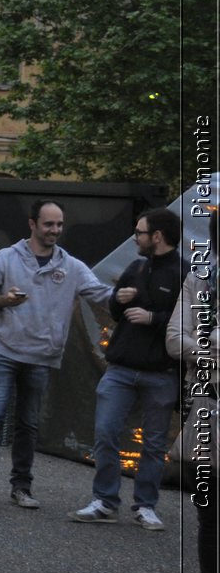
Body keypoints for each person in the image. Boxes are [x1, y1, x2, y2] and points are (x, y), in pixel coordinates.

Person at [0, 200, 113, 508]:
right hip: (2, 350)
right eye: (49, 224)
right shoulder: (5, 258)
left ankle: (21, 487)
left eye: (59, 225)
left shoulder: (70, 265)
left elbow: (101, 295)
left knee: (28, 424)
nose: (55, 230)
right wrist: (3, 300)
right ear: (33, 224)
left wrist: (129, 296)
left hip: (42, 356)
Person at [71, 206, 185, 529]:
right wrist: (118, 300)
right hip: (120, 368)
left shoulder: (185, 275)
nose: (136, 238)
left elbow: (193, 323)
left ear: (158, 237)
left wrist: (154, 319)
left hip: (160, 373)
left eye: (140, 233)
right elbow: (115, 313)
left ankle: (145, 505)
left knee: (153, 442)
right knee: (105, 431)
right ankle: (105, 500)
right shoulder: (135, 267)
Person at [167, 206, 216, 573]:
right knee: (209, 516)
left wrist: (203, 348)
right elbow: (174, 337)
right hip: (206, 408)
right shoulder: (202, 281)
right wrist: (210, 352)